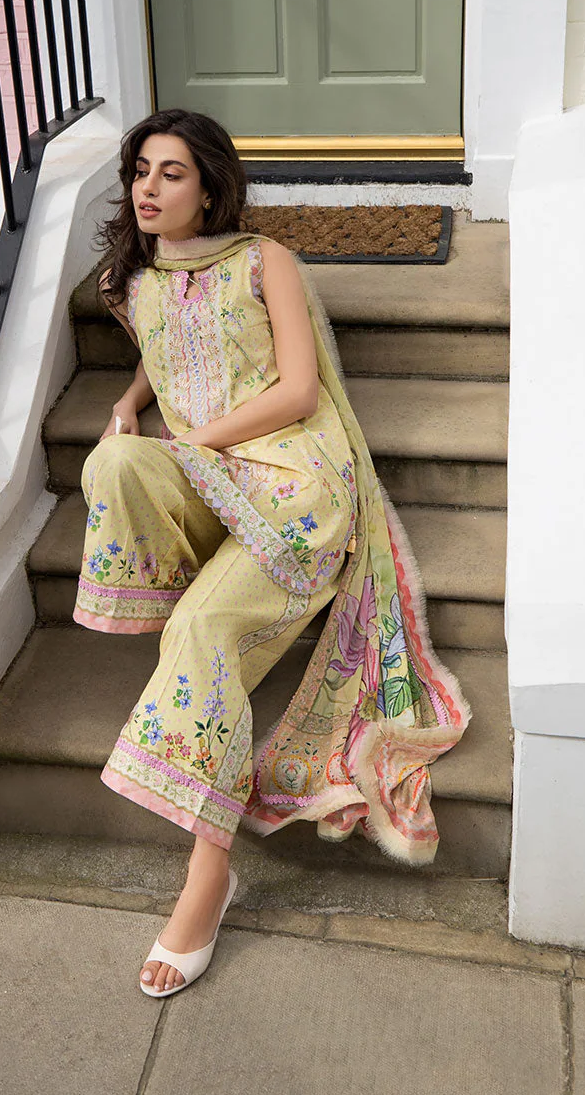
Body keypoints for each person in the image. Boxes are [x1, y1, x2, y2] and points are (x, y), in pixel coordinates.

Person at [76, 109, 469, 997]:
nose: (148, 187)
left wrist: (196, 440)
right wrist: (131, 405)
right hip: (206, 475)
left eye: (172, 173)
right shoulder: (129, 279)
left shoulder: (264, 261)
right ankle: (188, 607)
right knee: (115, 461)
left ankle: (208, 875)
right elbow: (168, 350)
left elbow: (295, 388)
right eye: (140, 170)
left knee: (202, 631)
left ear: (210, 188)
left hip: (293, 485)